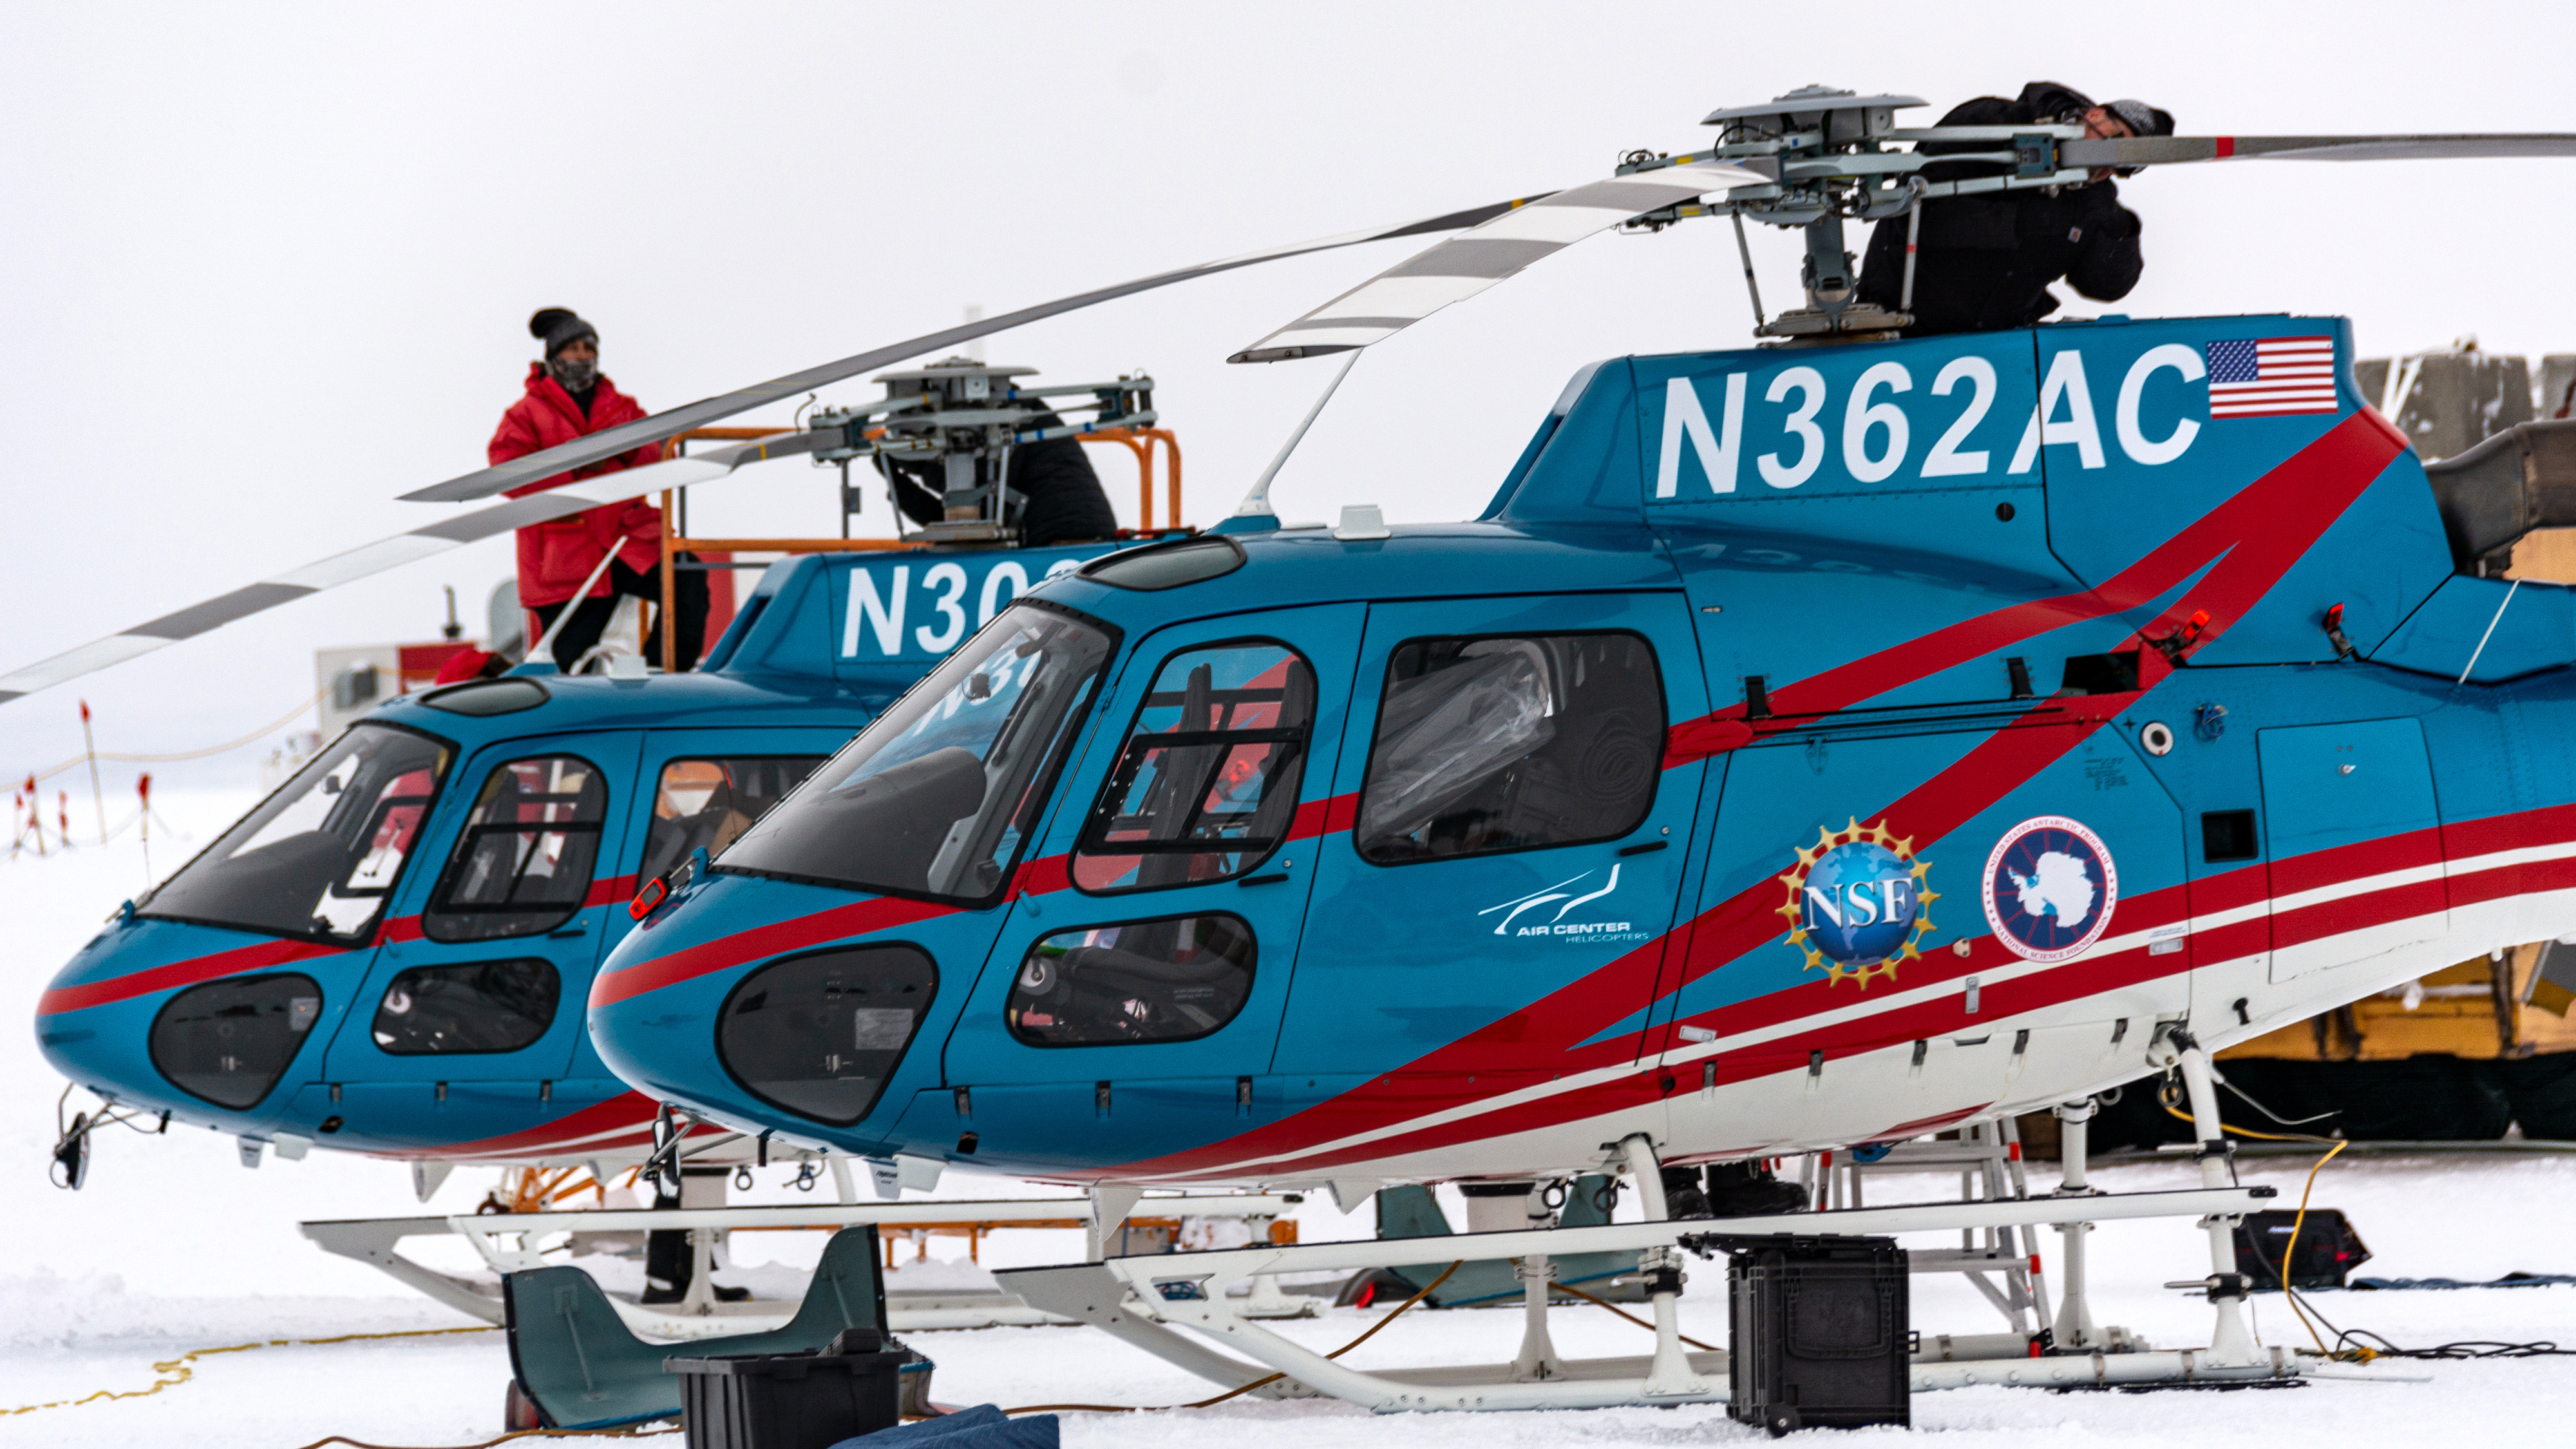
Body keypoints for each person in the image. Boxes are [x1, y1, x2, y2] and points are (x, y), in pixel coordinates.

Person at [1855, 83, 2175, 337]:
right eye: (2114, 142)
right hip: (1899, 328)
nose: (2107, 166)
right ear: (2094, 115)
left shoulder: (2091, 200)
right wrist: (2020, 224)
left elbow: (2103, 287)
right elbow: (1919, 214)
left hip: (1996, 349)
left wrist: (2118, 231)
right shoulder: (1992, 122)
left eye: (2122, 166)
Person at [488, 308, 710, 671]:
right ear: (553, 356)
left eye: (588, 348)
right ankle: (574, 713)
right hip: (565, 551)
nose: (582, 356)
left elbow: (657, 454)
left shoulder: (621, 407)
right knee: (568, 659)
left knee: (685, 576)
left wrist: (629, 451)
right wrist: (574, 472)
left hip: (624, 540)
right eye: (573, 348)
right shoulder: (526, 413)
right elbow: (506, 468)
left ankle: (664, 673)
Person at [876, 393, 1119, 545]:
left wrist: (913, 473)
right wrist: (901, 488)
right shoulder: (1018, 415)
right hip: (1080, 541)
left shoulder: (1003, 425)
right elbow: (960, 526)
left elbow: (971, 517)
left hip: (1062, 545)